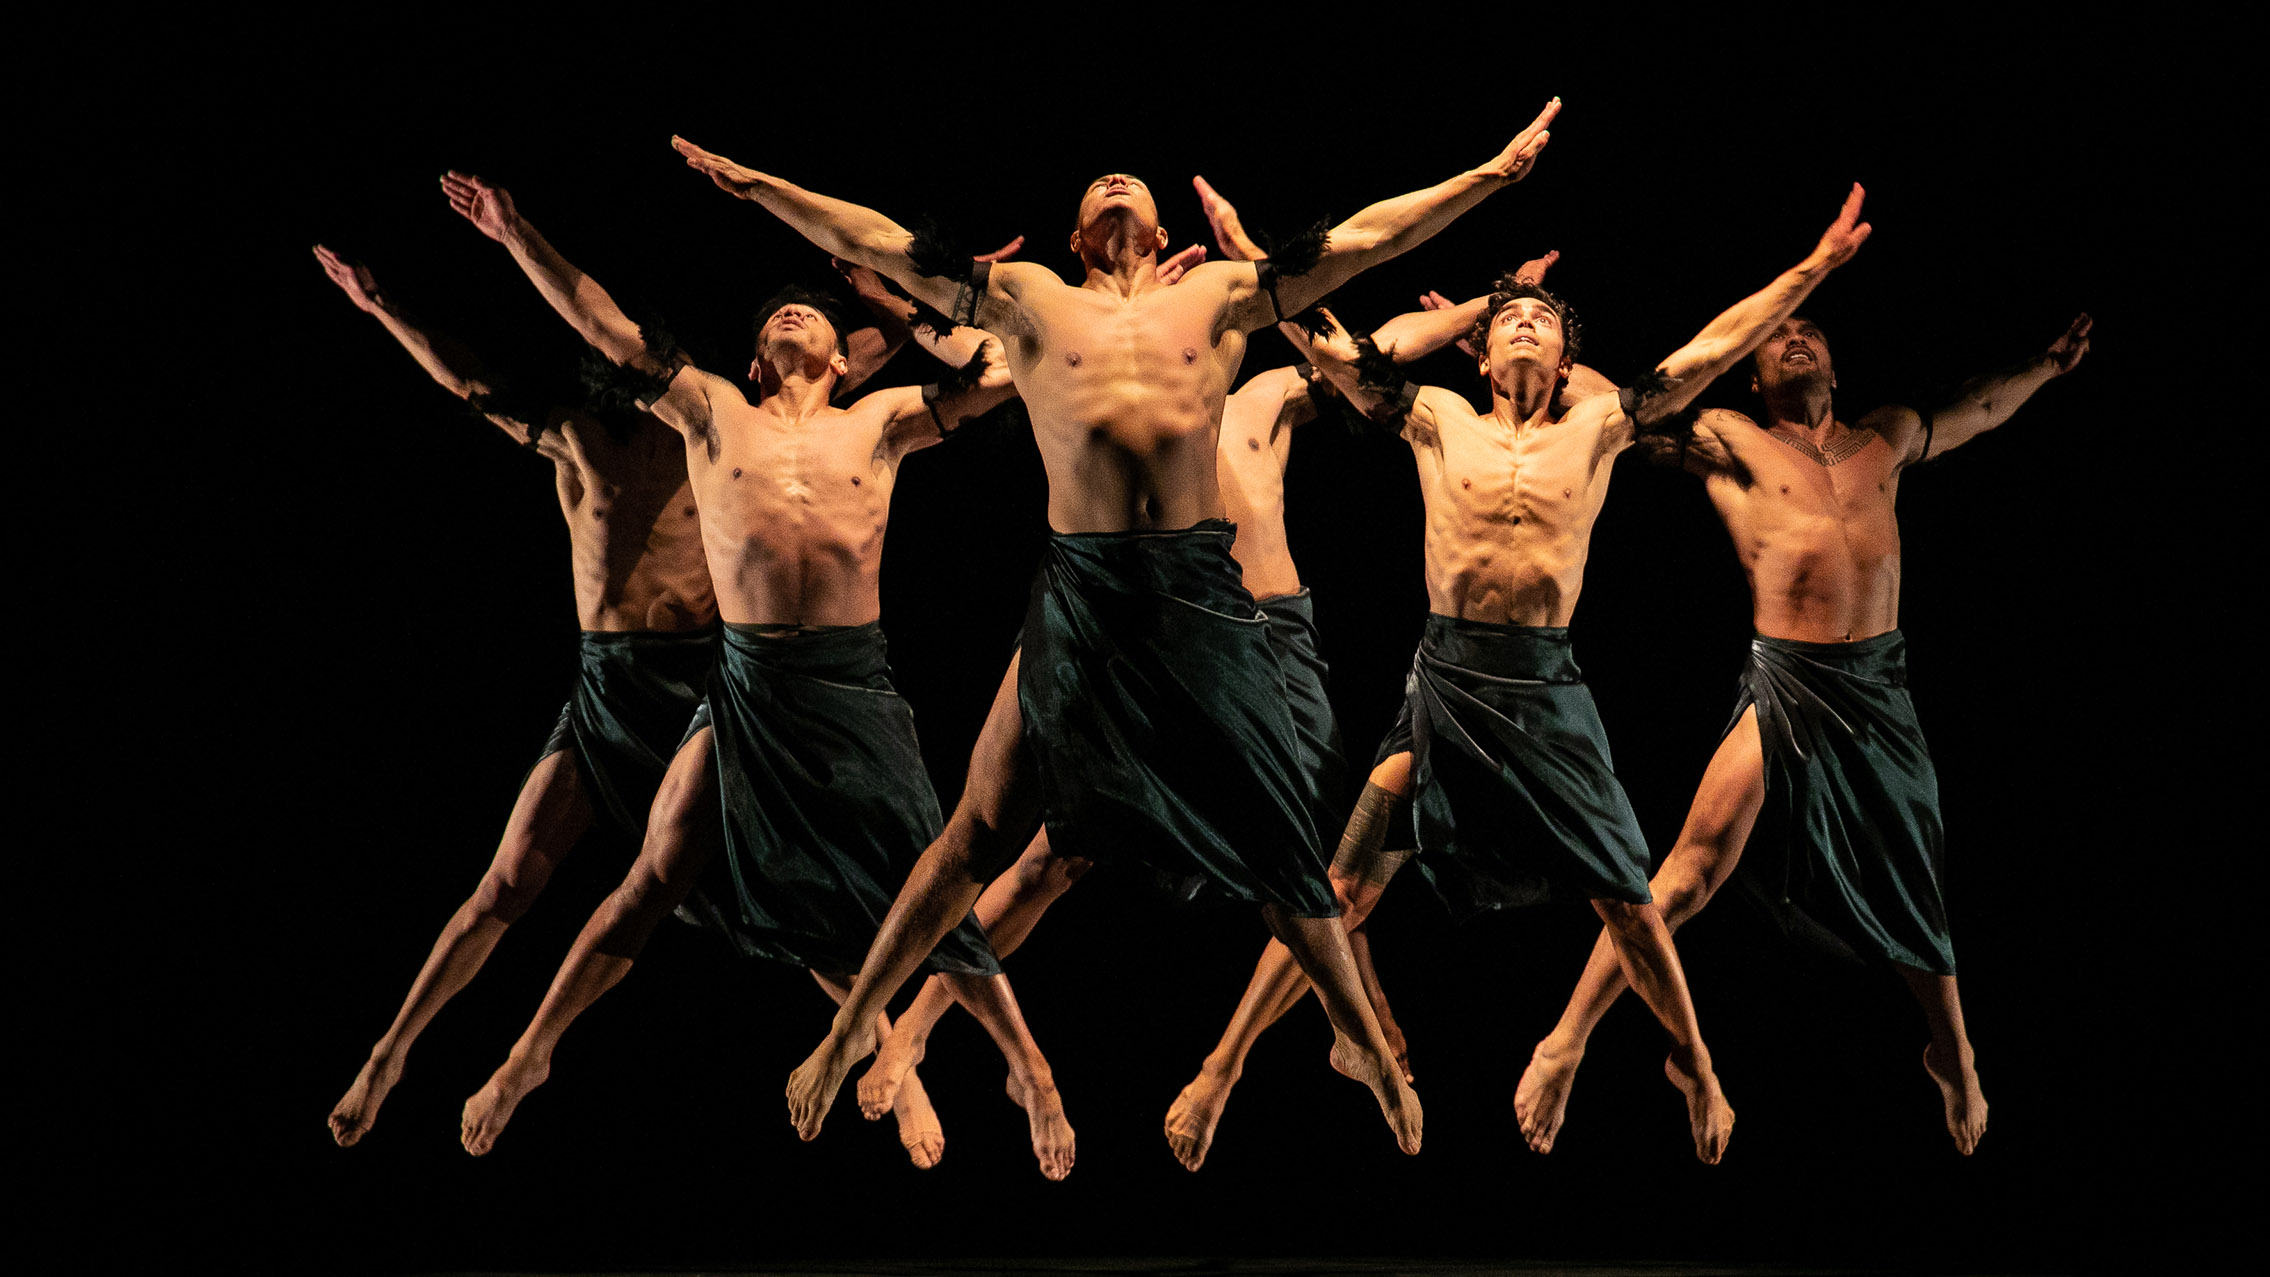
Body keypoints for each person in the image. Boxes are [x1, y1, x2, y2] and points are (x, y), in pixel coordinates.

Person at [674, 96, 1564, 1161]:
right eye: (1094, 183)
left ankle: (1363, 1040)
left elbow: (1364, 241)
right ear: (1072, 233)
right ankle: (846, 1031)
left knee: (1278, 842)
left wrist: (1488, 177)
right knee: (979, 829)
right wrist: (762, 188)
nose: (1114, 180)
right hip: (1085, 584)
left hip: (1196, 590)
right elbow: (882, 240)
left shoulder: (1226, 303)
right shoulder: (1032, 299)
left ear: (1158, 227)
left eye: (1128, 179)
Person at [1221, 183, 1879, 1168]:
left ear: (1564, 362)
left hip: (1546, 691)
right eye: (1508, 318)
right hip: (1443, 685)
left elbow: (1709, 345)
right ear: (1479, 348)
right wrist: (1257, 263)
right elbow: (1330, 345)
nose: (1524, 324)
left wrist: (1813, 267)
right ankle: (1222, 1066)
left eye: (1541, 319)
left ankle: (1691, 1063)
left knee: (1627, 893)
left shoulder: (1600, 422)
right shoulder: (1435, 414)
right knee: (1343, 886)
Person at [432, 172, 1069, 1176]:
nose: (794, 313)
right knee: (664, 867)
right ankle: (528, 1055)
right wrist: (517, 236)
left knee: (929, 879)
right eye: (778, 312)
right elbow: (605, 322)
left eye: (810, 310)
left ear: (837, 350)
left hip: (850, 681)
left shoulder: (884, 417)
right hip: (744, 686)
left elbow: (1007, 363)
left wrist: (897, 296)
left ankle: (1024, 1067)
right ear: (755, 354)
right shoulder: (714, 412)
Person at [1515, 279, 2091, 1157]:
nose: (1794, 338)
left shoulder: (1884, 437)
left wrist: (2046, 368)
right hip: (1789, 680)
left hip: (1879, 686)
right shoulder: (1732, 439)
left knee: (1917, 879)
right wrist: (1531, 354)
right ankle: (1565, 1040)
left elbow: (1976, 407)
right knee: (1689, 872)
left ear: (1834, 362)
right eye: (1776, 335)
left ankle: (1955, 1050)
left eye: (1809, 330)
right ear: (1749, 373)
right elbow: (1613, 405)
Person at [312, 243, 719, 1150]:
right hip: (609, 685)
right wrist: (382, 309)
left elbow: (852, 365)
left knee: (755, 880)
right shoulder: (576, 435)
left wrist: (906, 303)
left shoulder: (712, 438)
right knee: (507, 879)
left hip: (701, 688)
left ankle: (891, 1051)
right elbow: (471, 384)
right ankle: (389, 1053)